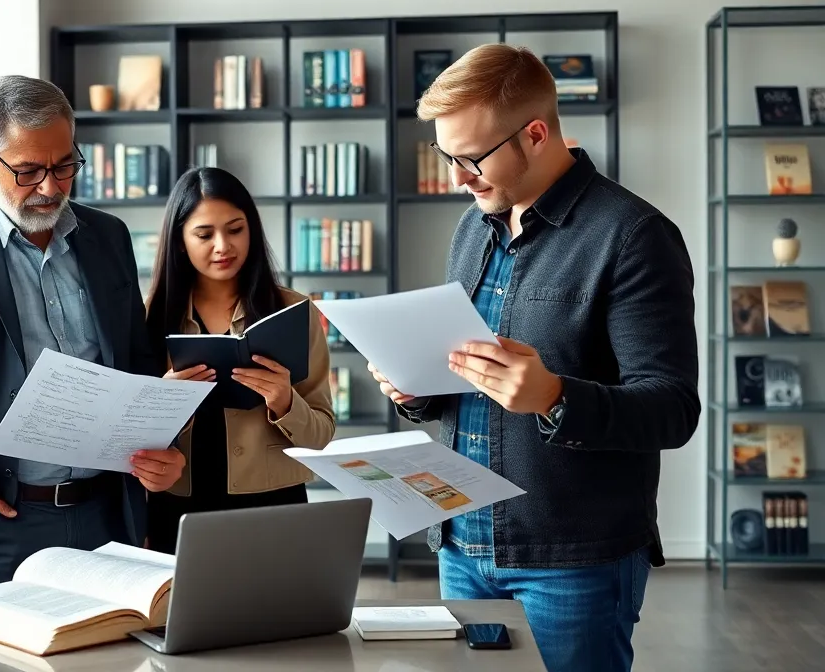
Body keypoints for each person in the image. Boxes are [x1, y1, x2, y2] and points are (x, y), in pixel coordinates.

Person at [367, 44, 699, 672]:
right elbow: (467, 383)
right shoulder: (474, 226)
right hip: (461, 544)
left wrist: (555, 397)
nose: (457, 177)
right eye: (448, 156)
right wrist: (417, 392)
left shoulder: (633, 236)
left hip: (574, 562)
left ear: (537, 133)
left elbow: (674, 410)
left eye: (470, 158)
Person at [0, 75, 186, 593]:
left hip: (107, 515)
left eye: (65, 165)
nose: (50, 187)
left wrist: (163, 448)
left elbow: (138, 363)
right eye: (28, 171)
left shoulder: (107, 237)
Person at [143, 167, 336, 554]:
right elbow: (125, 438)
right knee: (182, 616)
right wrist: (159, 402)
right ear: (180, 241)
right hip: (177, 507)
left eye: (235, 229)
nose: (222, 246)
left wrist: (285, 402)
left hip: (274, 509)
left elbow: (322, 437)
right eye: (204, 234)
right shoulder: (148, 318)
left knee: (275, 615)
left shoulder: (293, 311)